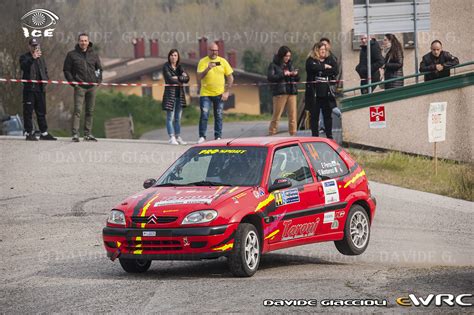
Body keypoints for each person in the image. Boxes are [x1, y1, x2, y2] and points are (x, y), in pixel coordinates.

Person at [63, 33, 103, 142]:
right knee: (77, 110)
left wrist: (98, 81)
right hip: (79, 87)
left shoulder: (94, 55)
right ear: (78, 41)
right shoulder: (71, 55)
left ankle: (87, 134)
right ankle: (75, 134)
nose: (83, 42)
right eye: (81, 40)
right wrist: (73, 83)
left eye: (85, 40)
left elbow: (98, 69)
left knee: (90, 111)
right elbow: (66, 70)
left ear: (88, 42)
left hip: (92, 87)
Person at [19, 38, 56, 141]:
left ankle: (44, 133)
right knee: (28, 112)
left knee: (41, 112)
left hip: (40, 89)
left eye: (36, 45)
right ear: (29, 46)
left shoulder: (41, 58)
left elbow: (45, 70)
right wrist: (32, 58)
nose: (35, 47)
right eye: (33, 45)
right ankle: (29, 133)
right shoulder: (24, 57)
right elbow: (24, 67)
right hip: (29, 89)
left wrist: (46, 79)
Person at [196, 42, 234, 143]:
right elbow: (199, 77)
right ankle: (202, 136)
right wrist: (207, 69)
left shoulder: (223, 61)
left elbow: (230, 78)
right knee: (204, 114)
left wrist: (226, 92)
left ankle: (218, 136)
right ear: (208, 50)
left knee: (219, 115)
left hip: (219, 93)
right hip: (206, 93)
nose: (214, 52)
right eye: (212, 50)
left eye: (216, 50)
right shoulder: (203, 61)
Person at [305, 42, 338, 139]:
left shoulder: (330, 59)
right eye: (321, 49)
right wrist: (324, 67)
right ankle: (315, 136)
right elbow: (312, 68)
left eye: (324, 49)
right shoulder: (310, 60)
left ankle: (329, 135)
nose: (323, 51)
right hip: (314, 93)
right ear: (316, 51)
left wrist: (322, 72)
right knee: (314, 116)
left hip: (326, 92)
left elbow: (335, 70)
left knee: (327, 115)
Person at [267, 46, 300, 136]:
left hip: (291, 92)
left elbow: (297, 79)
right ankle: (272, 134)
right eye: (286, 56)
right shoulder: (273, 65)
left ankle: (293, 135)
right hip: (280, 93)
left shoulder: (291, 65)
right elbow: (270, 77)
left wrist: (295, 75)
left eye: (289, 56)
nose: (288, 58)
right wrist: (283, 74)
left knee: (293, 116)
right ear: (281, 55)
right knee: (276, 116)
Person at [162, 49, 189, 145]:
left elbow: (187, 78)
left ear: (178, 57)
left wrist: (177, 78)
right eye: (172, 55)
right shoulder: (166, 66)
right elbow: (169, 80)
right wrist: (180, 78)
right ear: (169, 56)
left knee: (178, 118)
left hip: (180, 95)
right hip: (170, 96)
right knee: (170, 117)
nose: (173, 57)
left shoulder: (180, 67)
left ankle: (178, 136)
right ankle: (171, 137)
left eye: (175, 55)